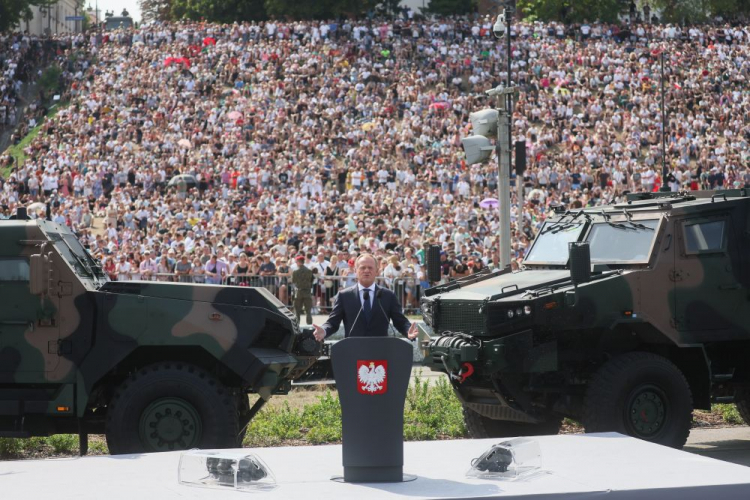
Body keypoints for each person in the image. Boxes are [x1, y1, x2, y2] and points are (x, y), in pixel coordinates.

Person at [313, 253, 419, 340]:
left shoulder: (388, 295)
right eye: (362, 267)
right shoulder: (344, 296)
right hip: (353, 352)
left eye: (370, 267)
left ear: (377, 271)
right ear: (355, 271)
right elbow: (332, 322)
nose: (366, 270)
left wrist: (407, 329)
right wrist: (324, 330)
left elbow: (400, 321)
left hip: (380, 355)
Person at [291, 255, 314, 325]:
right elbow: (312, 280)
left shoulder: (295, 272)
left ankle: (297, 325)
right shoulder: (309, 271)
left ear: (298, 262)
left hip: (299, 292)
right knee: (308, 311)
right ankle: (310, 325)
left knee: (297, 310)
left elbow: (293, 281)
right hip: (307, 292)